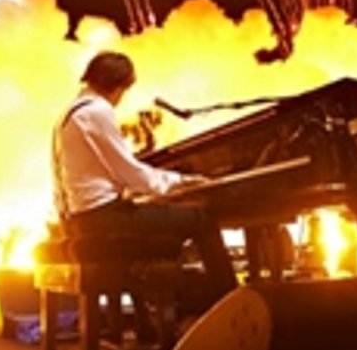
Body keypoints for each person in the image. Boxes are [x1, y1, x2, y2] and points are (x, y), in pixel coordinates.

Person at [51, 50, 237, 306]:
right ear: (117, 86)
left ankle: (175, 307)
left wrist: (143, 191)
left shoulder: (69, 113)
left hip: (81, 217)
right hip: (102, 218)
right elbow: (130, 172)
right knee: (202, 221)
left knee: (170, 227)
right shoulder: (97, 111)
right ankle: (230, 301)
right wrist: (180, 181)